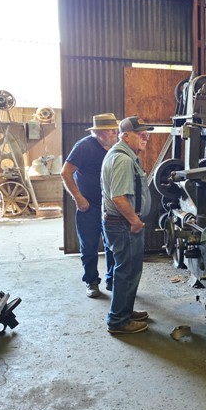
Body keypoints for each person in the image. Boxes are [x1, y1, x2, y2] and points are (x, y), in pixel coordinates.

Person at [101, 116, 154, 335]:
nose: (145, 137)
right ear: (125, 136)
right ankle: (118, 321)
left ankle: (124, 310)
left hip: (121, 224)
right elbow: (119, 197)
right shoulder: (123, 159)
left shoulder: (124, 155)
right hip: (124, 225)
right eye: (139, 133)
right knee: (127, 272)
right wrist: (135, 221)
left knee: (128, 271)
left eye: (146, 133)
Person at [61, 113, 119, 298]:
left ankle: (112, 280)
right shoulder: (84, 146)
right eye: (110, 130)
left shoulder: (116, 148)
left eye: (115, 129)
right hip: (89, 207)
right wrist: (78, 198)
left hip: (110, 207)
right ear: (98, 132)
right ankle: (92, 281)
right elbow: (66, 173)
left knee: (113, 246)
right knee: (89, 247)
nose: (114, 133)